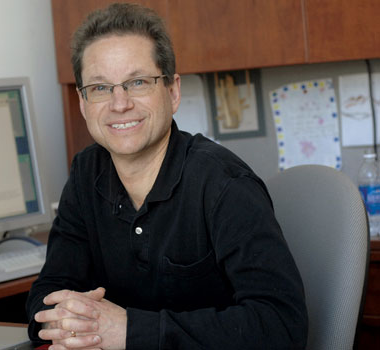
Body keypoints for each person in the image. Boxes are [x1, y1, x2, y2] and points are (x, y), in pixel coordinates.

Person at [26, 3, 308, 349]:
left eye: (138, 82)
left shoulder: (225, 185)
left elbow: (281, 325)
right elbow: (49, 291)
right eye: (100, 88)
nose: (119, 103)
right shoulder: (87, 173)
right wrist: (74, 321)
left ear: (172, 92)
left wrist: (128, 330)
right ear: (83, 103)